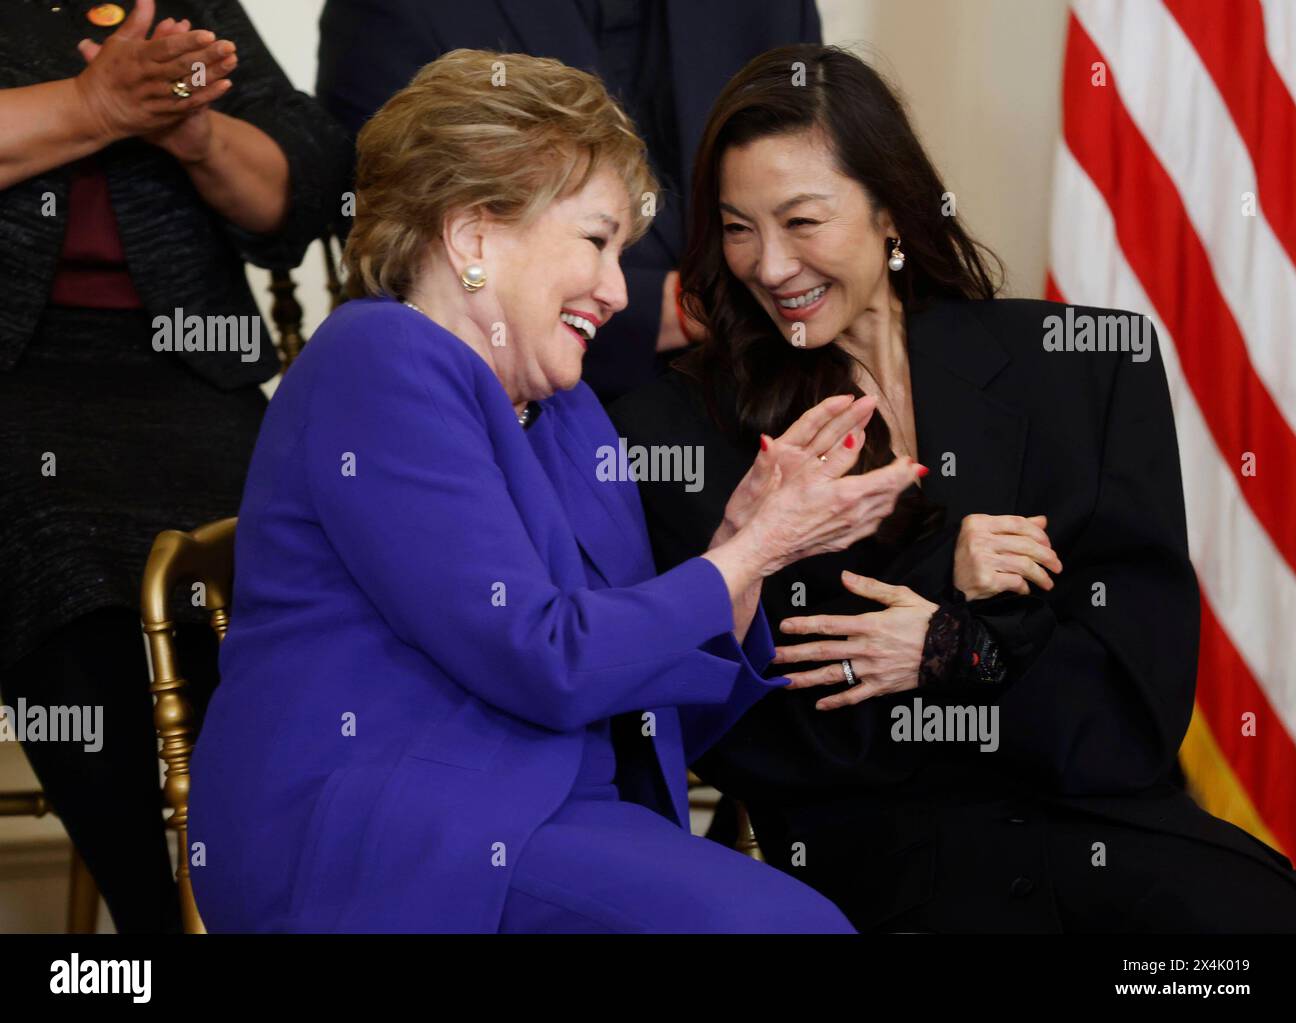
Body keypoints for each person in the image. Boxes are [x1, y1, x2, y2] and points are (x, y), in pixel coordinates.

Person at [185, 49, 926, 933]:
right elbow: (542, 655)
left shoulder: (565, 408)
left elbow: (646, 688)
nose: (619, 291)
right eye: (596, 240)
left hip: (544, 817)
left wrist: (744, 537)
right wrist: (752, 548)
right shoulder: (377, 359)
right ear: (473, 236)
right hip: (391, 833)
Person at [609, 44, 1296, 933]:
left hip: (1115, 841)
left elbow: (1134, 708)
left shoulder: (1088, 368)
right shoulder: (672, 429)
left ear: (892, 209)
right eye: (738, 227)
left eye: (801, 221)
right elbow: (765, 744)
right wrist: (969, 620)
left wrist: (946, 643)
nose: (769, 264)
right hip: (890, 871)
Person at [0, 0, 351, 933]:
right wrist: (95, 105)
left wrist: (198, 135)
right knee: (56, 559)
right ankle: (157, 928)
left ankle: (277, 900)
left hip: (189, 369)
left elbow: (307, 183)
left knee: (294, 554)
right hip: (17, 379)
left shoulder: (177, 5)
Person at [314, 0, 822, 403]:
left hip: (775, 376)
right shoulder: (386, 378)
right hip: (575, 387)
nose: (615, 292)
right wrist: (687, 307)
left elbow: (818, 177)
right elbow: (396, 236)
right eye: (594, 239)